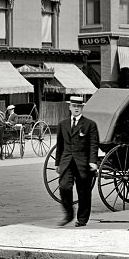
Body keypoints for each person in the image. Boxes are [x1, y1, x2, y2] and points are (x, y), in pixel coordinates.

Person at [54, 95, 99, 227]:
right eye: (74, 106)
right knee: (64, 187)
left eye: (79, 106)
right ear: (69, 107)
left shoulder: (90, 124)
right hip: (67, 162)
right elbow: (60, 145)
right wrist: (57, 163)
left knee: (84, 191)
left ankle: (82, 219)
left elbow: (93, 144)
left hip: (83, 163)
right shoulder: (63, 124)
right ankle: (69, 214)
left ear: (82, 108)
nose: (76, 108)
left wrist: (93, 161)